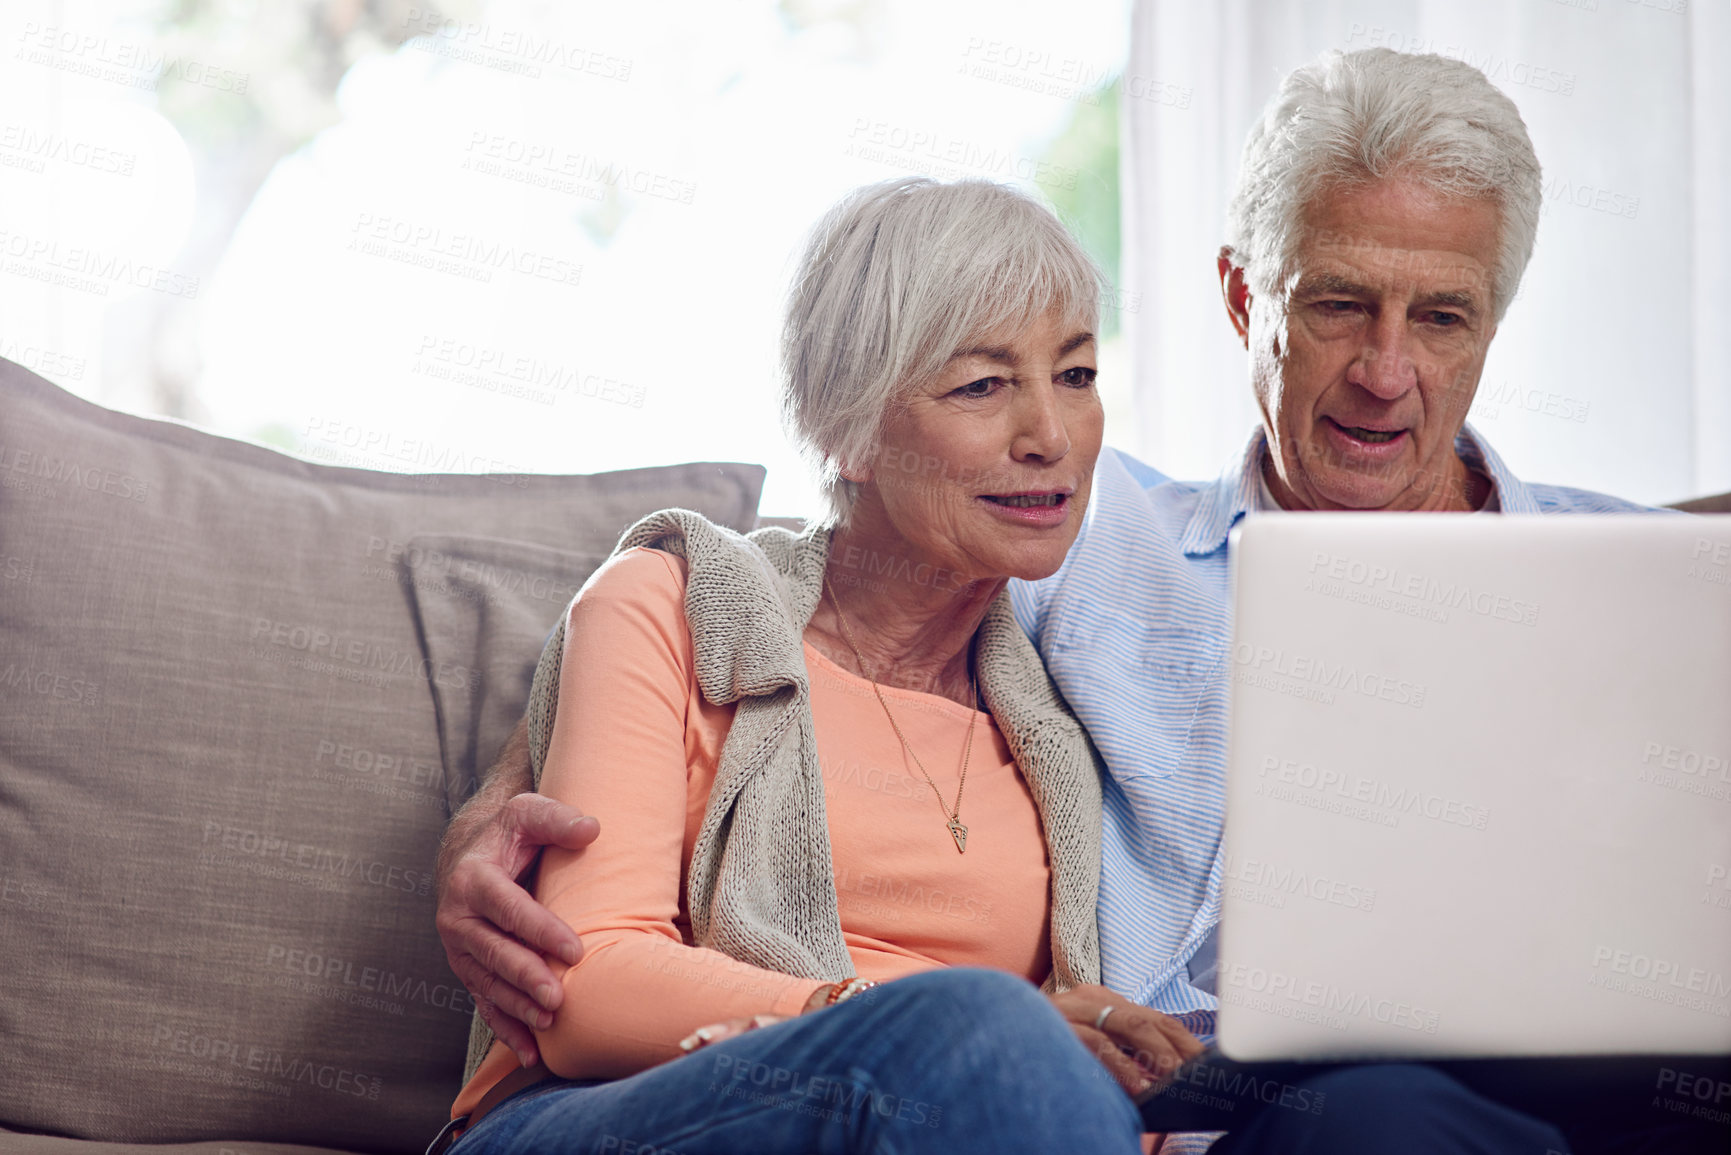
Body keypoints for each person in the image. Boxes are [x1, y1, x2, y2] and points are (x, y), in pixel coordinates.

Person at [439, 49, 1713, 1153]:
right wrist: (500, 808)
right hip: (1087, 1102)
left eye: (1442, 317)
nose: (1387, 370)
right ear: (1242, 298)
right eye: (1338, 305)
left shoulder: (1668, 594)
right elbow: (796, 589)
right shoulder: (1079, 561)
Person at [433, 176, 1203, 1155]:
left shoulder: (1064, 698)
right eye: (982, 385)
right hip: (611, 1117)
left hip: (950, 1118)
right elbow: (585, 984)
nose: (1050, 436)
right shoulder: (669, 604)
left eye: (1078, 376)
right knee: (988, 1030)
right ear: (847, 431)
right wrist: (891, 1016)